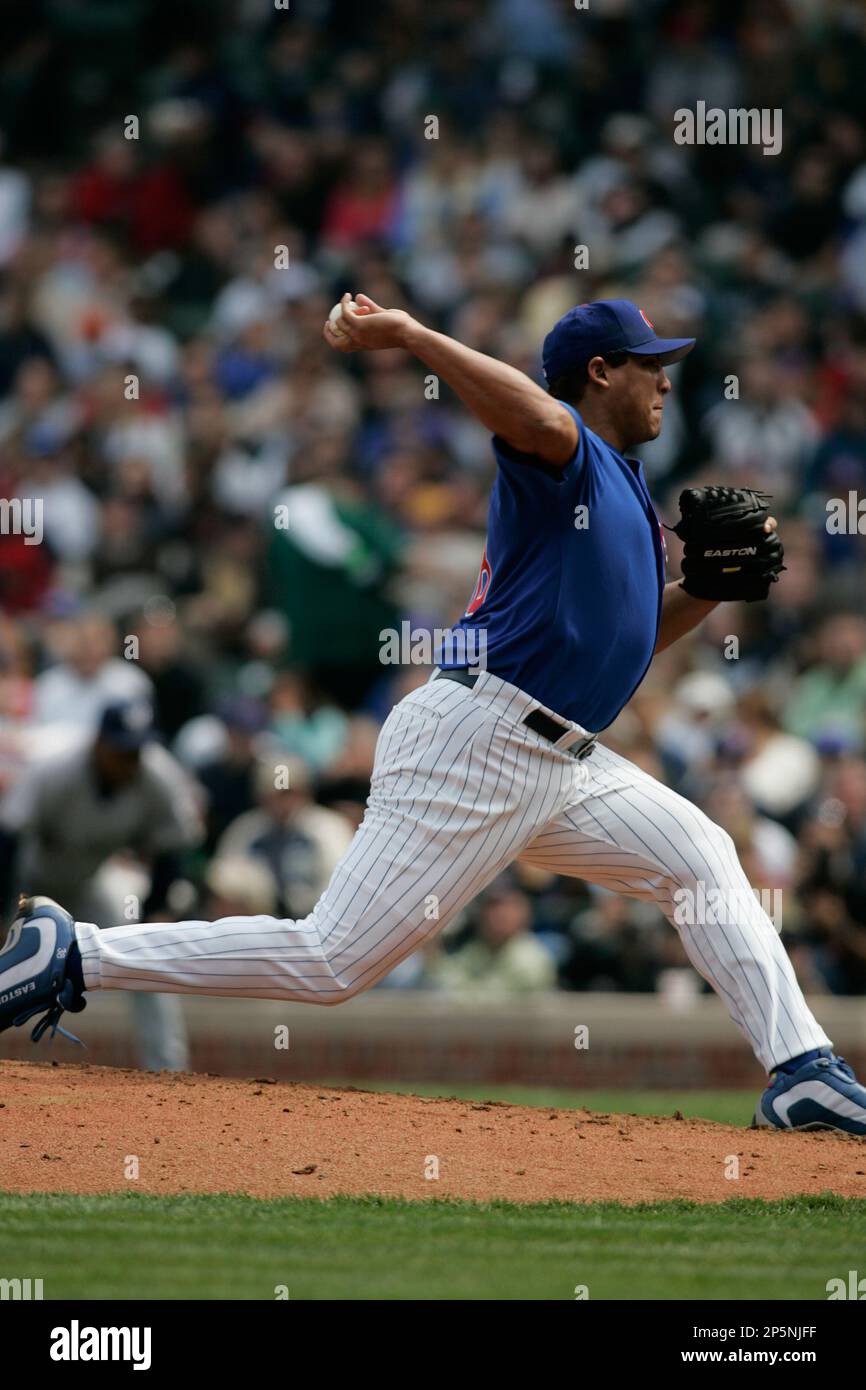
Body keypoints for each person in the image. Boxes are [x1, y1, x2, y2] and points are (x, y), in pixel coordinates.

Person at [3, 296, 865, 1134]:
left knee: (703, 855)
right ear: (600, 372)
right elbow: (530, 413)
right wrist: (414, 334)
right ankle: (78, 952)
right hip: (479, 738)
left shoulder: (629, 499)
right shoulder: (566, 446)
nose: (667, 383)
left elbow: (628, 644)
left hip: (561, 760)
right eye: (651, 366)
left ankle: (802, 1073)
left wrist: (706, 591)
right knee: (332, 961)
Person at [0, 698, 201, 1069]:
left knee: (146, 955)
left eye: (137, 750)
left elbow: (172, 849)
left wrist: (154, 911)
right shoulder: (56, 770)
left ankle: (169, 1068)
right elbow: (8, 839)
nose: (130, 760)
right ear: (99, 743)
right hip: (26, 886)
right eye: (122, 749)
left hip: (88, 885)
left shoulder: (157, 776)